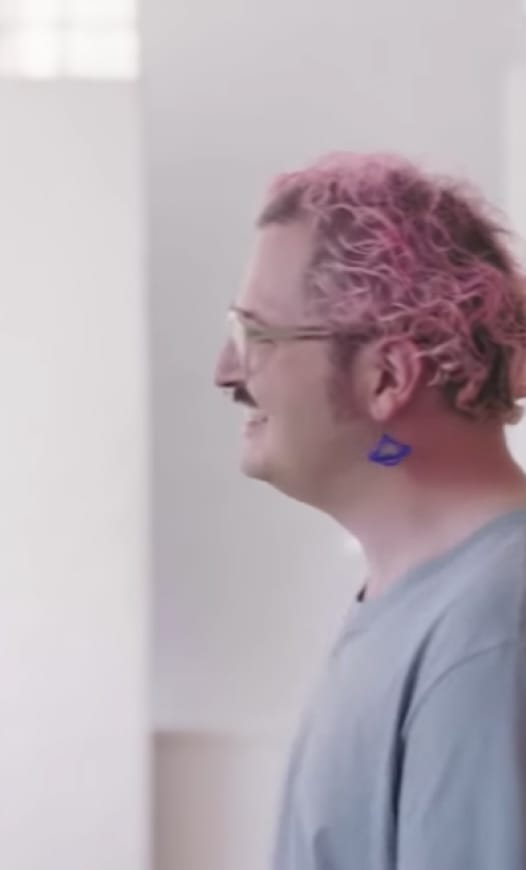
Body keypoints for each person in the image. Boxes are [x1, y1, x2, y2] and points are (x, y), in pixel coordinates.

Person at [214, 153, 526, 869]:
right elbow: (394, 453)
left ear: (387, 376)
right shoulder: (429, 596)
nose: (226, 371)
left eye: (256, 337)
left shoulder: (490, 639)